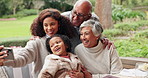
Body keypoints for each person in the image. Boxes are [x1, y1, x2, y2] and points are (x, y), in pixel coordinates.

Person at [0, 8, 76, 78]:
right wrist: (5, 62)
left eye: (52, 24)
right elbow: (23, 57)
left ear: (59, 24)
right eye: (45, 25)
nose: (49, 28)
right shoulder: (36, 42)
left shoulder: (67, 41)